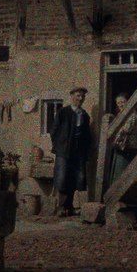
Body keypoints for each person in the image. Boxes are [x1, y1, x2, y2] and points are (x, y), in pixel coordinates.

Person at [49, 86, 92, 217]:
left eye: (83, 96)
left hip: (78, 151)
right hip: (64, 150)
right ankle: (61, 207)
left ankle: (70, 206)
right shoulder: (63, 112)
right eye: (78, 96)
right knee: (62, 177)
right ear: (72, 96)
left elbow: (87, 134)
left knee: (75, 178)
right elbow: (54, 131)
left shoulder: (84, 115)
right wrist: (59, 145)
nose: (81, 99)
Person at [107, 93, 137, 186]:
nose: (121, 104)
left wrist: (113, 130)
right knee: (118, 172)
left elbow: (125, 129)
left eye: (123, 102)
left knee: (123, 173)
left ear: (128, 101)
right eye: (118, 103)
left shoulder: (132, 113)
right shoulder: (121, 114)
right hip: (121, 146)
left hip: (129, 147)